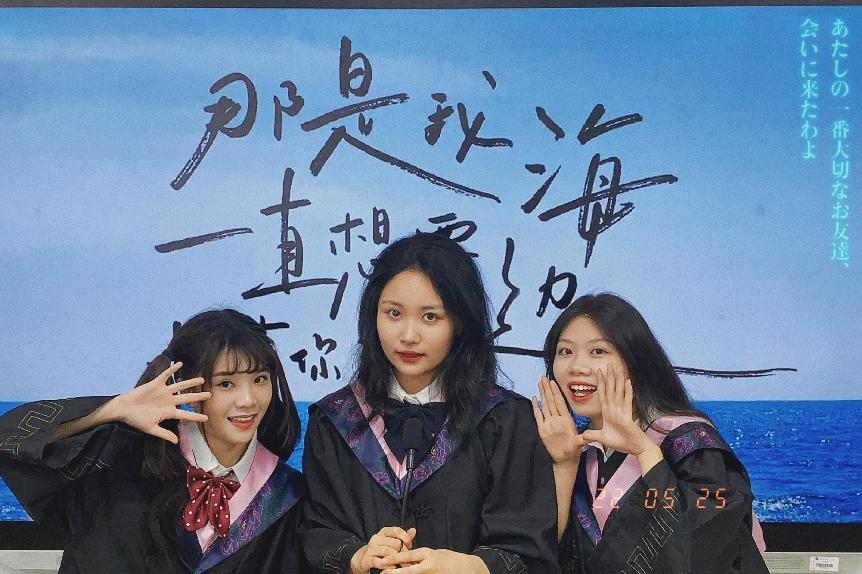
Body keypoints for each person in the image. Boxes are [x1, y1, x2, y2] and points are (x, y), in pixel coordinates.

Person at [301, 232, 559, 574]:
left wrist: (467, 566)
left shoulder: (505, 420)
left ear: (460, 322)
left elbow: (530, 550)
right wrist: (357, 556)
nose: (409, 335)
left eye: (430, 317)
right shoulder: (336, 419)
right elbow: (315, 532)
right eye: (394, 313)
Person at [0, 309, 307, 573]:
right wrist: (110, 410)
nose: (248, 400)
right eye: (226, 383)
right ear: (188, 389)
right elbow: (12, 443)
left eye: (260, 379)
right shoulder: (124, 464)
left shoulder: (287, 494)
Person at [531, 293, 767, 574]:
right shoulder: (574, 451)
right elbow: (544, 557)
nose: (577, 367)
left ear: (634, 361)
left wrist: (645, 452)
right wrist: (565, 466)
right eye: (565, 351)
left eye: (598, 351)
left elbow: (701, 551)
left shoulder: (692, 445)